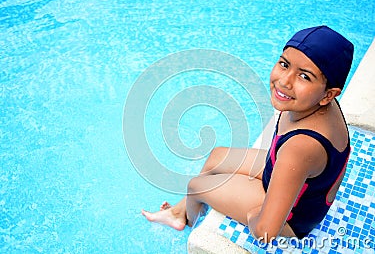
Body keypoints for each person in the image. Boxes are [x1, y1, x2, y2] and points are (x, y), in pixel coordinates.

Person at [142, 25, 354, 242]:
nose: (284, 81)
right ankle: (179, 212)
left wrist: (256, 216)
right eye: (284, 64)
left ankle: (191, 227)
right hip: (292, 178)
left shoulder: (301, 147)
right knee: (217, 156)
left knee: (195, 186)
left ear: (329, 94)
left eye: (304, 77)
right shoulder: (313, 104)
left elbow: (266, 233)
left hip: (292, 218)